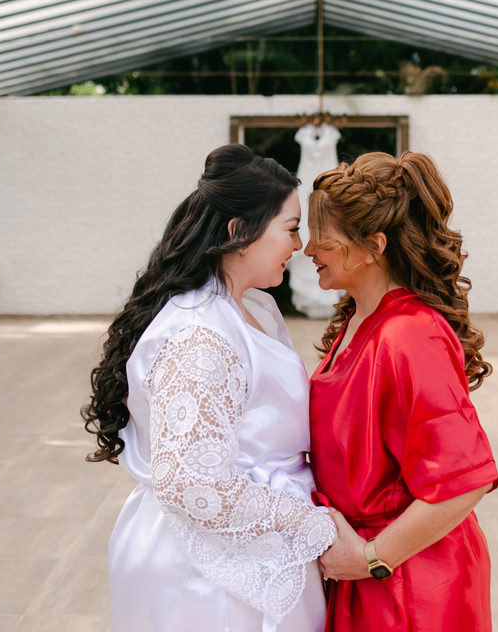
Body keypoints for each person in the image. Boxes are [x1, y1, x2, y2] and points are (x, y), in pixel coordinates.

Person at [81, 144, 340, 632]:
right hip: (204, 573)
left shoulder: (255, 307)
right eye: (290, 228)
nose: (300, 246)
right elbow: (192, 483)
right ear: (239, 233)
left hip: (256, 540)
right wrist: (316, 526)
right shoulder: (201, 335)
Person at [305, 151, 498, 632]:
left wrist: (371, 558)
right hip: (372, 569)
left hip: (410, 584)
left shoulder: (410, 334)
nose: (308, 250)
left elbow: (464, 480)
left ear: (372, 245)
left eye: (322, 239)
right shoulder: (360, 319)